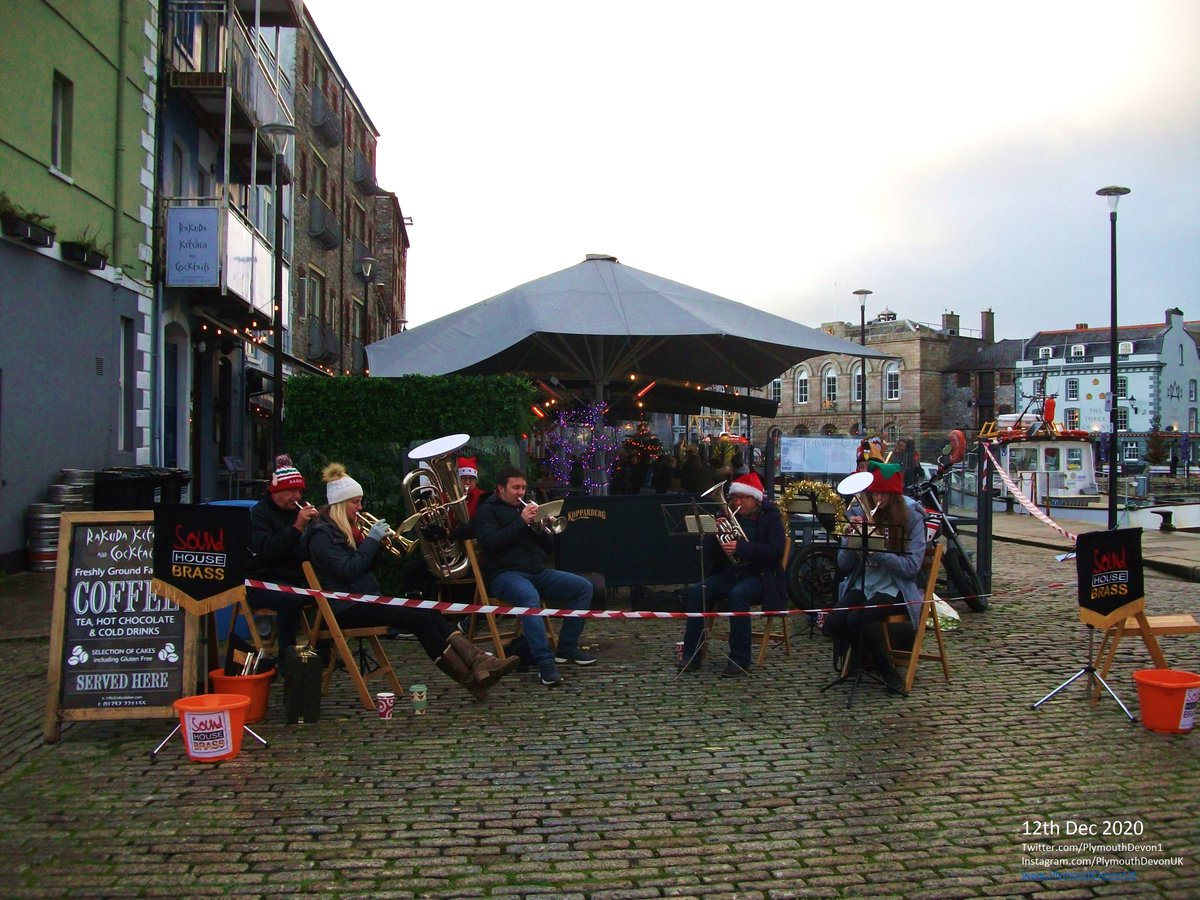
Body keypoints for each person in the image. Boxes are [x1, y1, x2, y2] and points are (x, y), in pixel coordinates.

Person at [301, 462, 518, 701]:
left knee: (429, 609)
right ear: (341, 504)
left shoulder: (345, 530)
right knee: (419, 618)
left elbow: (363, 568)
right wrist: (371, 543)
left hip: (363, 597)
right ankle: (470, 677)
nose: (360, 508)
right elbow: (348, 571)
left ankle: (479, 662)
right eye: (355, 502)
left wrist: (379, 547)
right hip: (346, 606)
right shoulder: (322, 535)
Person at [473, 466, 597, 686]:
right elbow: (491, 544)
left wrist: (542, 527)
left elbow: (546, 549)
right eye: (515, 488)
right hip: (505, 575)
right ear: (501, 489)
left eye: (523, 488)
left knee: (583, 587)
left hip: (536, 571)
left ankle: (567, 647)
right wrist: (521, 523)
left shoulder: (526, 510)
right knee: (529, 599)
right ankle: (545, 662)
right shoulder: (486, 511)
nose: (520, 493)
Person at [822, 460, 928, 695]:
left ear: (895, 496)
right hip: (865, 582)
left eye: (885, 493)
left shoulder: (911, 519)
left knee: (858, 619)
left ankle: (888, 672)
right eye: (874, 493)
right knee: (834, 622)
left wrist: (877, 549)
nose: (878, 498)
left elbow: (911, 568)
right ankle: (862, 658)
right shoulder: (859, 513)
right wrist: (851, 540)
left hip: (896, 586)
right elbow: (844, 565)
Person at [677, 471, 787, 678]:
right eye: (734, 498)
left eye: (742, 498)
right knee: (698, 591)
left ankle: (739, 659)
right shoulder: (727, 516)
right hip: (730, 573)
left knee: (738, 595)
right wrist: (714, 534)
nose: (737, 502)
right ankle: (692, 653)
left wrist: (741, 548)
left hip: (760, 576)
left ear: (755, 500)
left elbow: (775, 552)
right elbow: (710, 555)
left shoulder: (770, 518)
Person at [246, 455, 320, 653]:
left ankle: (322, 650)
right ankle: (286, 656)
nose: (296, 496)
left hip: (294, 579)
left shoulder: (294, 511)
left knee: (329, 594)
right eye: (290, 491)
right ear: (275, 491)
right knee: (291, 600)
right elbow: (267, 551)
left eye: (299, 491)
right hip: (263, 581)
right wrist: (297, 528)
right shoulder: (259, 515)